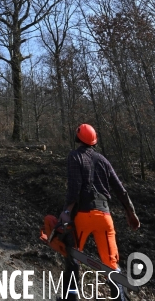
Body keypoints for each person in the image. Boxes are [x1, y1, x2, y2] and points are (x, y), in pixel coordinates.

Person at [58, 123, 140, 301]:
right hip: (104, 217)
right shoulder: (103, 160)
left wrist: (66, 212)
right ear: (94, 141)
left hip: (83, 215)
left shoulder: (74, 157)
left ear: (78, 138)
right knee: (110, 262)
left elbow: (74, 188)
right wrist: (131, 212)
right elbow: (120, 190)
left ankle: (70, 297)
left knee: (73, 256)